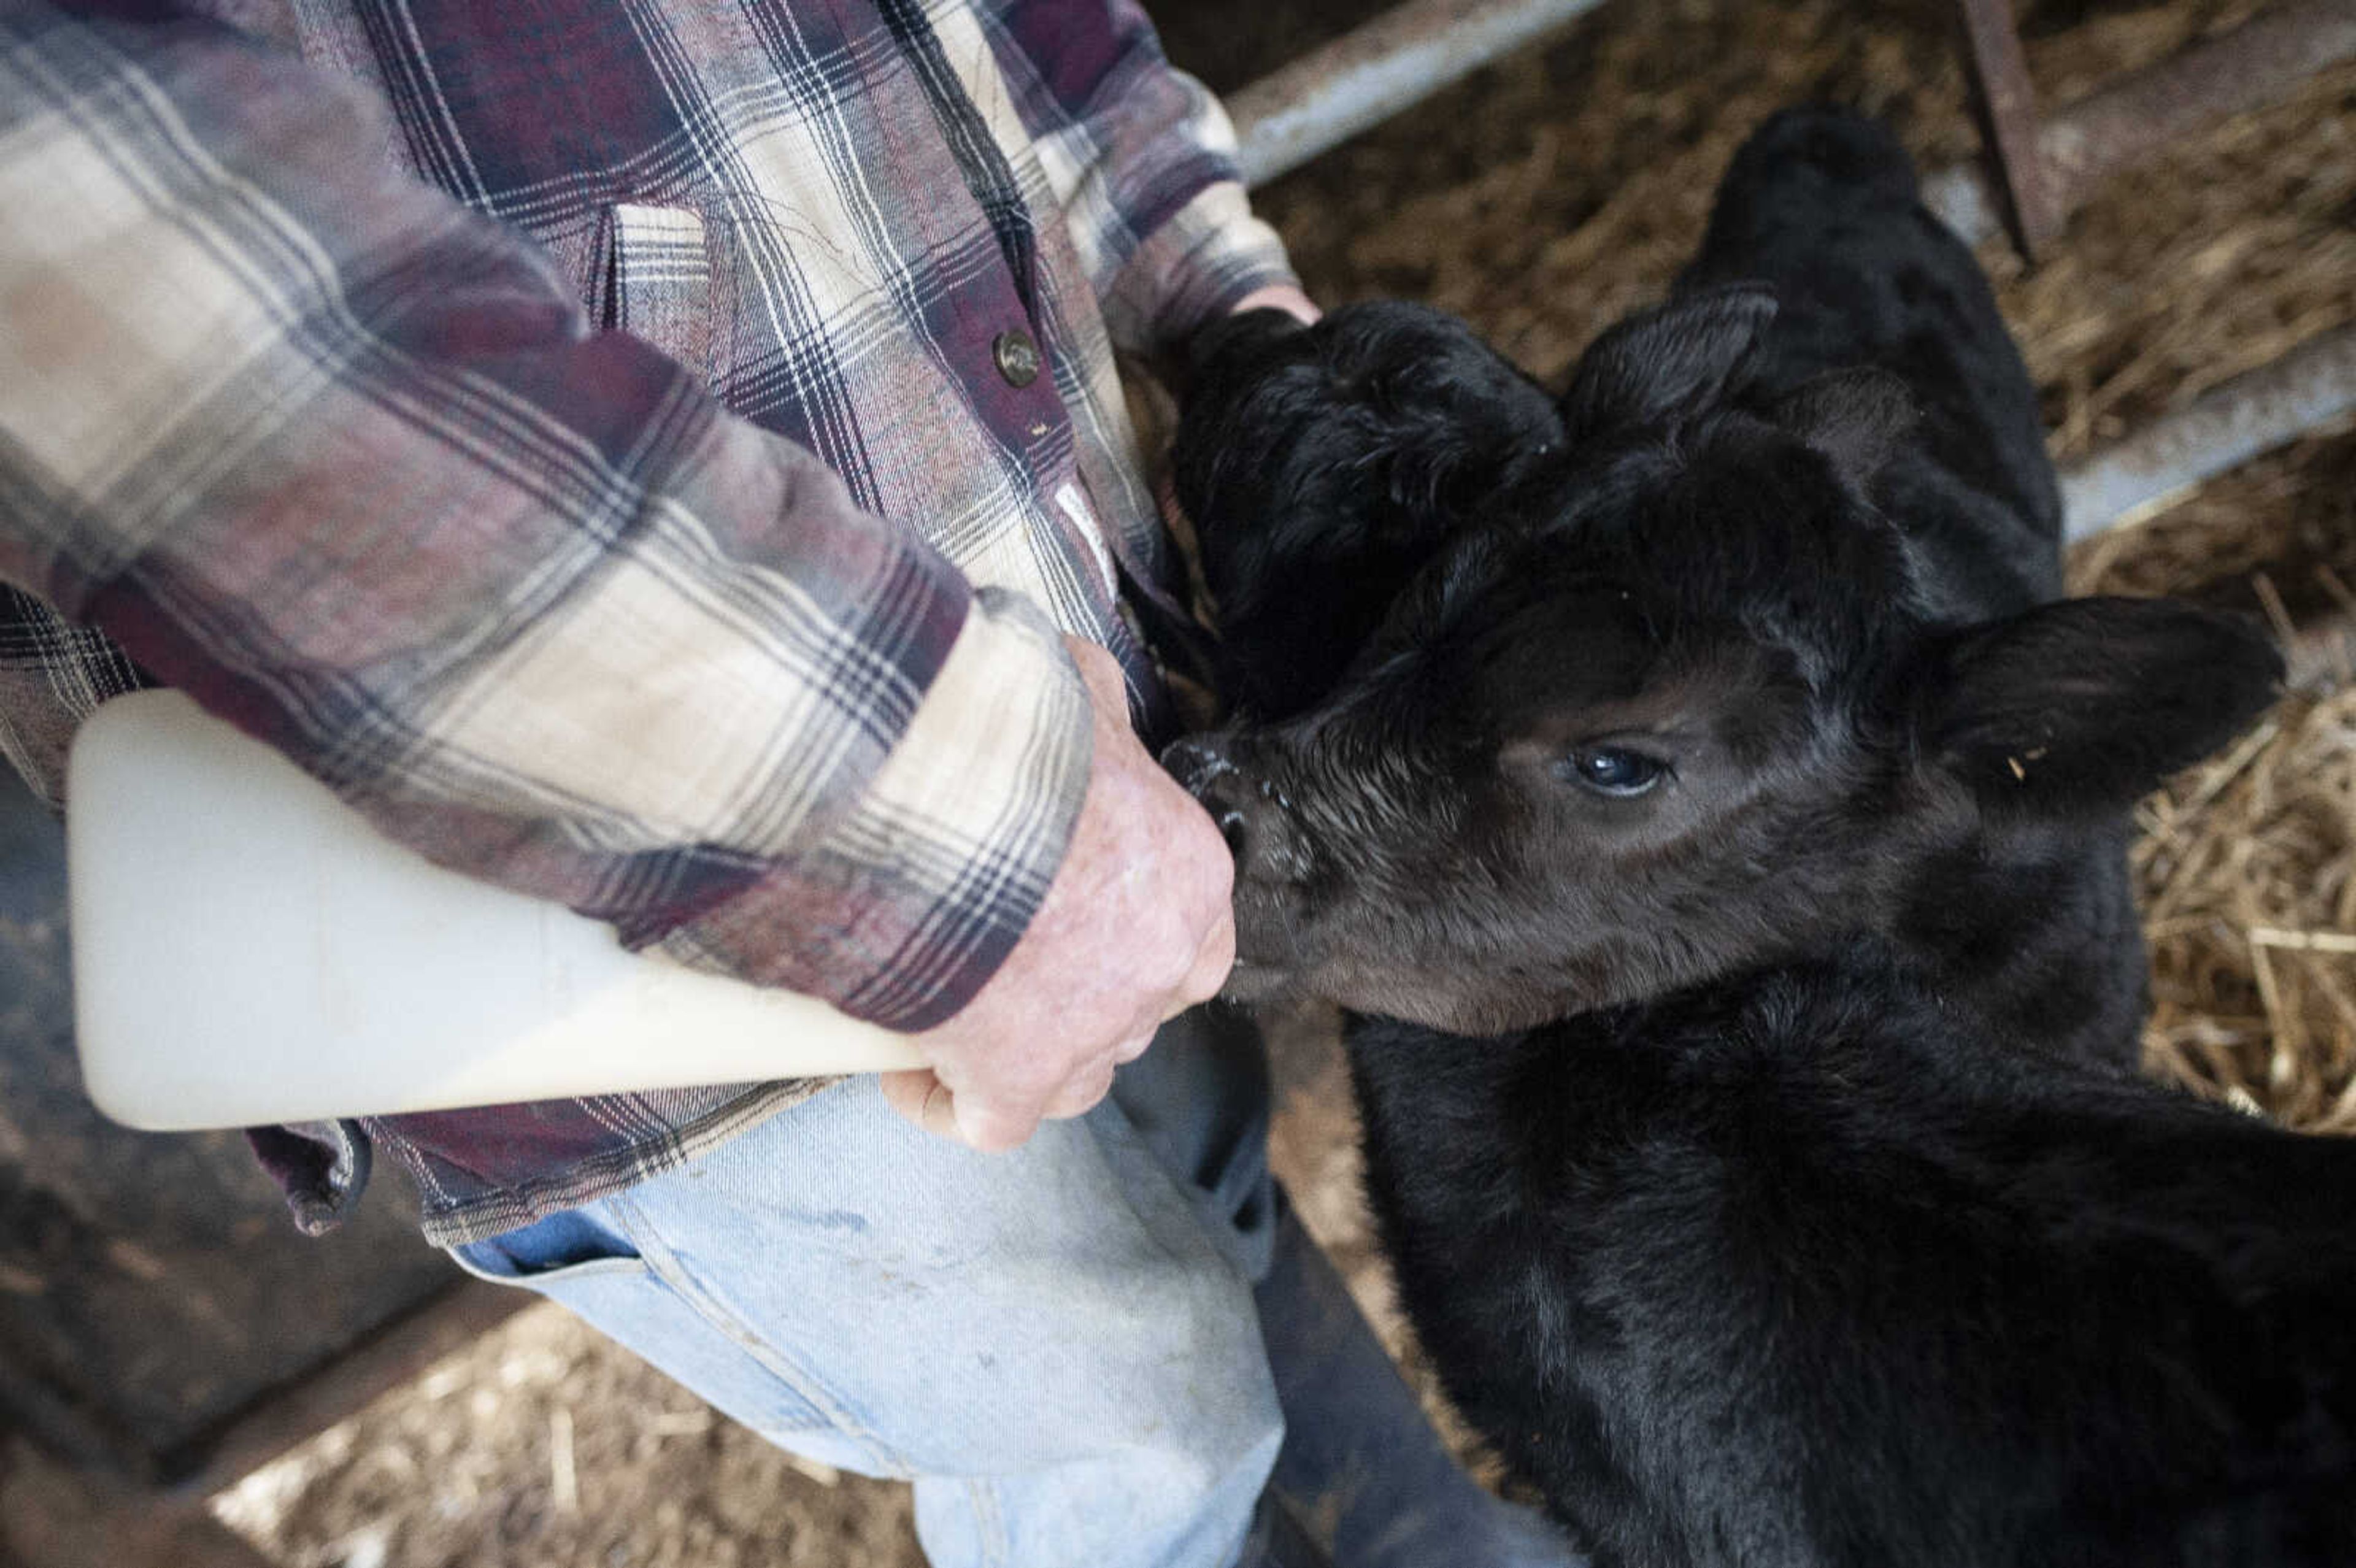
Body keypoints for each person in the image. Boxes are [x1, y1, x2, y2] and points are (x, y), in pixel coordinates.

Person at [0, 4, 1574, 1564]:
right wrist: (961, 823)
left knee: (1214, 1197)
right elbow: (185, 335)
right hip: (652, 941)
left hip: (1094, 728)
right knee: (1126, 1426)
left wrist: (1235, 320)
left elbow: (1031, 33)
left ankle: (1436, 1548)